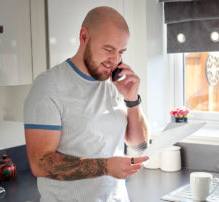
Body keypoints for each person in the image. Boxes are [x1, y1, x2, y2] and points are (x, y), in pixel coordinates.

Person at [24, 6, 149, 202]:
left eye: (121, 52)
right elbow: (40, 163)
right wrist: (106, 166)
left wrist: (132, 100)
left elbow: (138, 145)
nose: (115, 60)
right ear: (84, 37)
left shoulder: (114, 85)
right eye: (108, 49)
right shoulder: (49, 86)